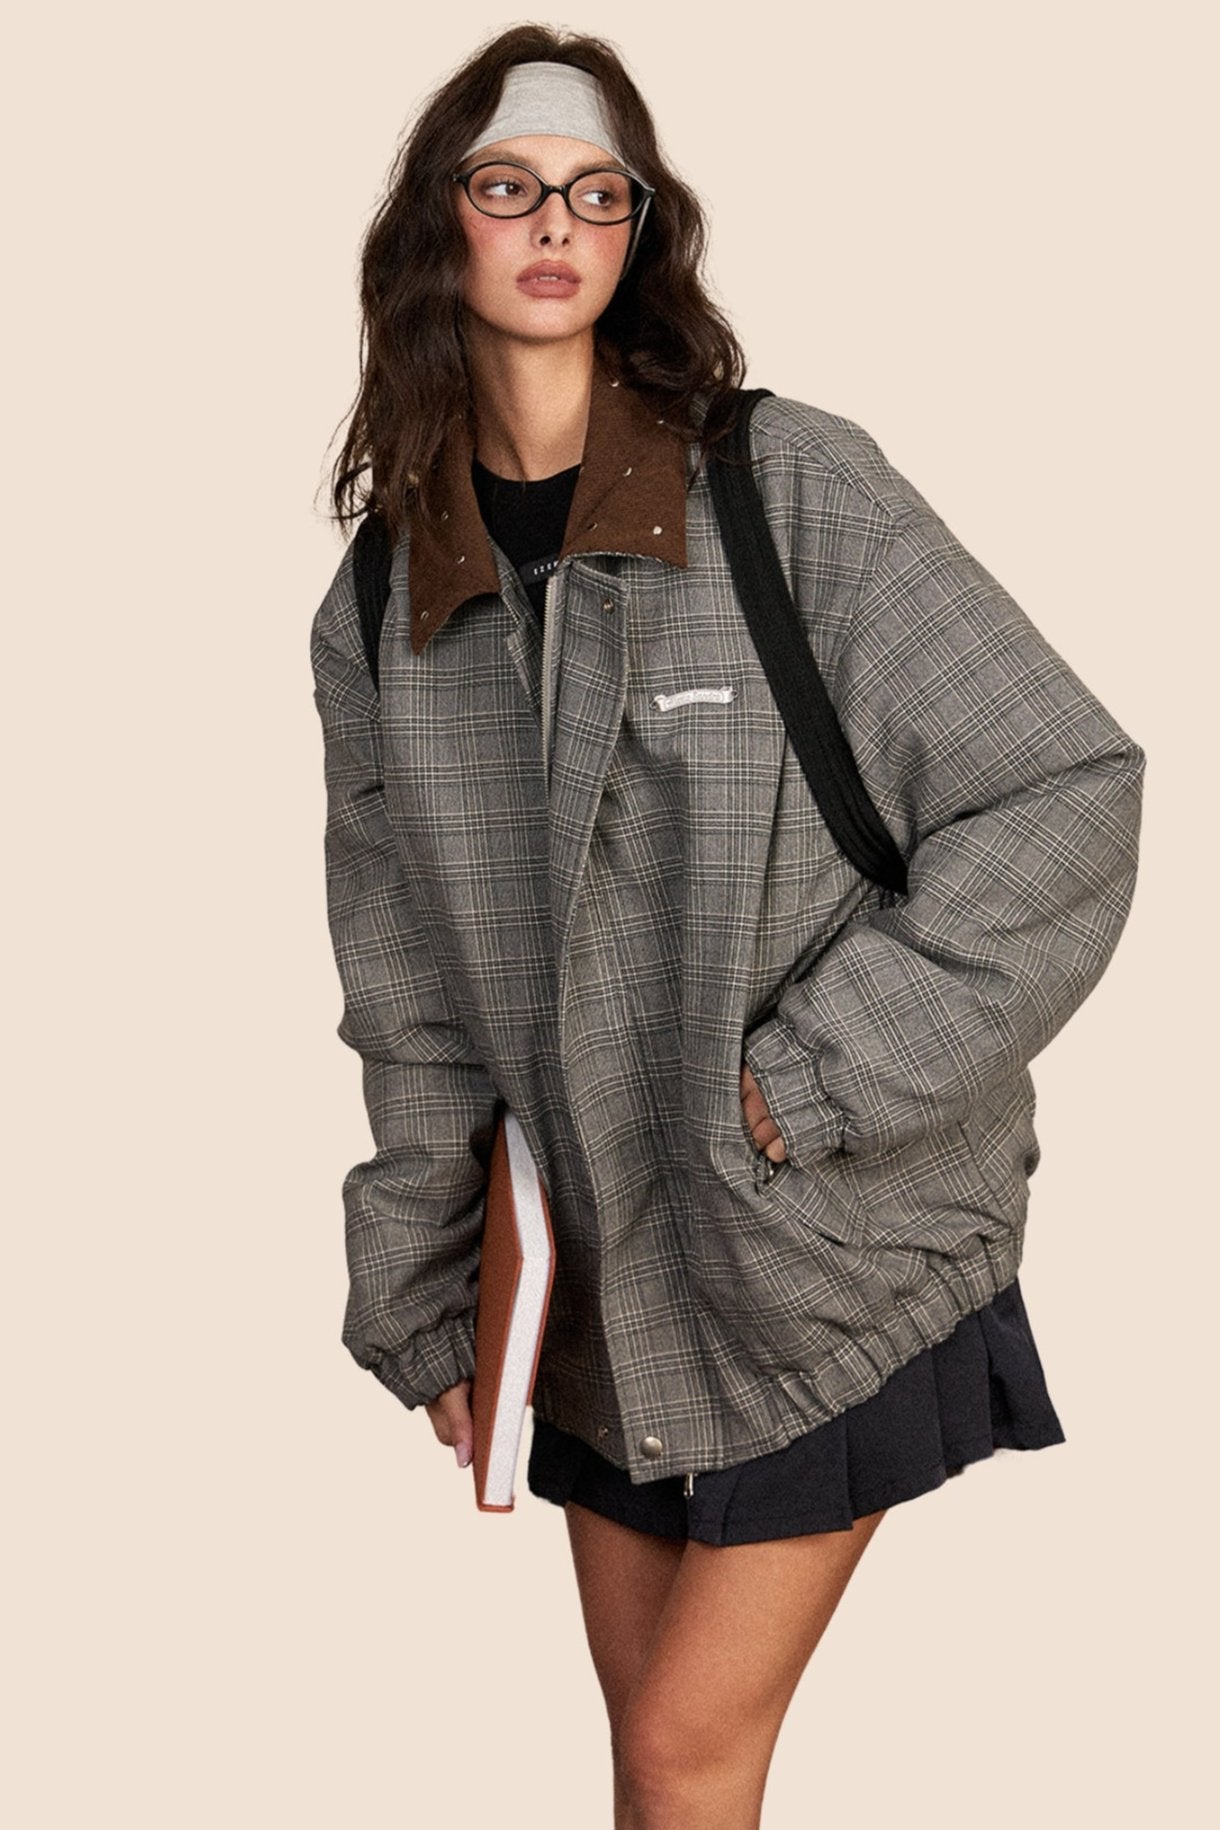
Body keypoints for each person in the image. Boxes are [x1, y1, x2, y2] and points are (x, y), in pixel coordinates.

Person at [309, 24, 1145, 1829]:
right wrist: (423, 1285)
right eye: (509, 185)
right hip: (597, 1294)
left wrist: (816, 1080)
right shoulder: (383, 600)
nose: (557, 224)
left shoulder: (786, 486)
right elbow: (410, 991)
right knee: (662, 1768)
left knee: (685, 1753)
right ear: (438, 223)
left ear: (641, 231)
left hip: (821, 1243)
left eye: (596, 193)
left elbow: (1063, 788)